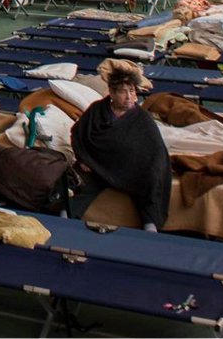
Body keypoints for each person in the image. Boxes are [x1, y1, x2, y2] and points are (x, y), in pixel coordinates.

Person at [71, 60, 170, 232]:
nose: (129, 97)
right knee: (74, 184)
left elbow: (156, 152)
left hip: (131, 170)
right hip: (98, 167)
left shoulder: (143, 118)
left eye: (131, 91)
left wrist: (151, 170)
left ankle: (150, 226)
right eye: (123, 92)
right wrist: (83, 160)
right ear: (111, 93)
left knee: (152, 183)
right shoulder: (97, 110)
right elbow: (78, 135)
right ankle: (65, 220)